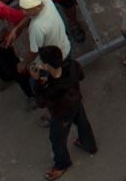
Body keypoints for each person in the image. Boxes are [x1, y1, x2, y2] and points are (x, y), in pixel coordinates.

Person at [33, 45, 98, 180]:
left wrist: (37, 81)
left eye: (41, 60)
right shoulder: (72, 65)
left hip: (62, 113)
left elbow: (41, 102)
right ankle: (89, 145)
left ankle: (62, 164)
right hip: (76, 100)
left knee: (57, 139)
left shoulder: (53, 88)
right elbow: (80, 75)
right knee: (82, 122)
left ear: (46, 65)